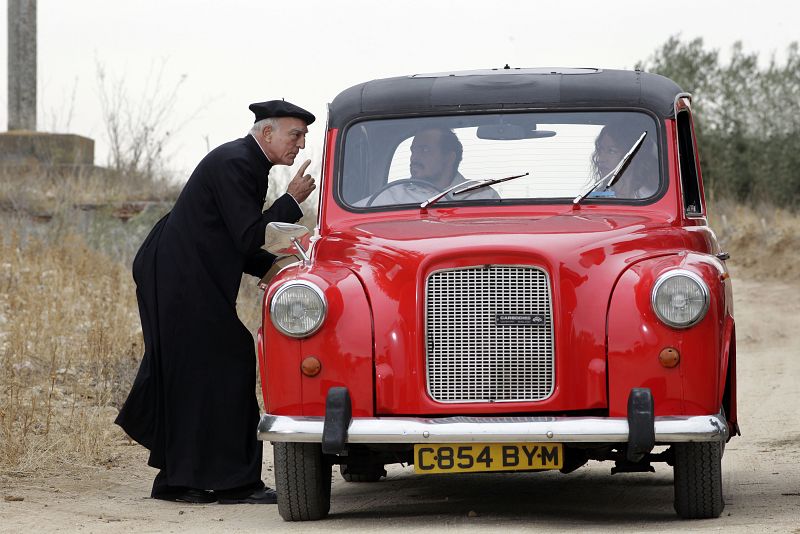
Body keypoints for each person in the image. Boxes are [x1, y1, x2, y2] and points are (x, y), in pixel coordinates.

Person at [114, 100, 317, 505]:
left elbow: (232, 236)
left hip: (183, 274)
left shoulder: (247, 163)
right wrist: (292, 201)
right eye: (295, 135)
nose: (300, 144)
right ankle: (233, 482)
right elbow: (247, 235)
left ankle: (179, 481)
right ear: (267, 133)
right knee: (225, 361)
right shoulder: (236, 162)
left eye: (304, 137)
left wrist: (273, 267)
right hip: (177, 276)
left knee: (193, 372)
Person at [364, 127, 499, 206]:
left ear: (449, 158)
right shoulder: (391, 196)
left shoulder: (480, 195)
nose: (414, 158)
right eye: (413, 151)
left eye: (425, 150)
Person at [590, 121, 659, 199]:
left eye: (611, 151)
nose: (601, 159)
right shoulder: (597, 198)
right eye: (600, 150)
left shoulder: (654, 197)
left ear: (633, 156)